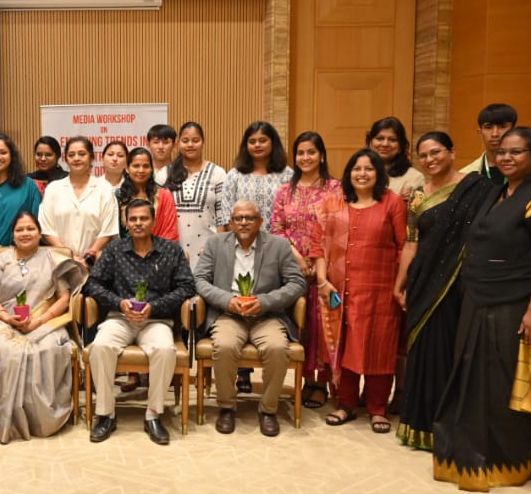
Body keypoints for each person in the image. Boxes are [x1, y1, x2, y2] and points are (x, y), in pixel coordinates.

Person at [433, 127, 531, 491]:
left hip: (518, 305)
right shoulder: (498, 192)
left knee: (504, 384)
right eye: (502, 152)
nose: (506, 158)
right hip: (480, 300)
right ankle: (469, 455)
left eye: (516, 152)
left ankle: (505, 462)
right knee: (473, 380)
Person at [392, 132, 494, 450]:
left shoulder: (477, 188)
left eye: (435, 152)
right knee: (423, 352)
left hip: (462, 285)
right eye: (423, 155)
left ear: (452, 152)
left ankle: (452, 427)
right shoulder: (417, 196)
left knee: (453, 352)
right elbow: (411, 244)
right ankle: (420, 425)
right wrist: (400, 283)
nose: (429, 160)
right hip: (424, 282)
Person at [311, 149, 407, 434]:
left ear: (379, 173)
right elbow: (318, 246)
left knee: (380, 347)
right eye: (356, 168)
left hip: (381, 292)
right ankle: (346, 404)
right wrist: (322, 282)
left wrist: (400, 286)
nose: (362, 174)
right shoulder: (333, 203)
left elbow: (403, 247)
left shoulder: (392, 203)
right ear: (348, 173)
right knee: (343, 345)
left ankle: (378, 408)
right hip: (338, 290)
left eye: (369, 169)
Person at [85, 198, 195, 445]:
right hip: (120, 318)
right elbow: (93, 284)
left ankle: (153, 415)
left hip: (156, 320)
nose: (138, 223)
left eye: (143, 218)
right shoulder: (114, 250)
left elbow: (187, 287)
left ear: (153, 221)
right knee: (100, 347)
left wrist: (154, 306)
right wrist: (119, 303)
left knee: (165, 350)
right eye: (133, 219)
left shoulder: (171, 250)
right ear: (125, 223)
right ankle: (106, 414)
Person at [195, 200, 306, 436]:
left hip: (266, 315)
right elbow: (200, 280)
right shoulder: (215, 244)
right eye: (238, 218)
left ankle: (268, 410)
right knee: (224, 346)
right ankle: (227, 407)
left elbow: (297, 282)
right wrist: (227, 300)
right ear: (231, 222)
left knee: (277, 348)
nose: (244, 222)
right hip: (228, 314)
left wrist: (265, 302)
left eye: (250, 218)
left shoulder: (278, 245)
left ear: (260, 221)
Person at [0, 211, 86, 443]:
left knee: (48, 349)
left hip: (45, 322)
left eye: (30, 228)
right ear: (13, 234)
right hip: (4, 322)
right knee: (0, 348)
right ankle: (9, 416)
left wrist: (39, 320)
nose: (25, 233)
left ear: (39, 233)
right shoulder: (2, 259)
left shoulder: (52, 259)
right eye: (20, 229)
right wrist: (6, 318)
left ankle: (42, 419)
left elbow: (64, 298)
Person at [270, 131, 341, 407]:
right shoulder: (285, 190)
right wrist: (299, 259)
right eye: (300, 153)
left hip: (326, 266)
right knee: (299, 324)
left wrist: (316, 260)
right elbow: (277, 228)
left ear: (321, 155)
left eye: (311, 152)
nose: (305, 157)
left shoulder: (335, 188)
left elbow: (337, 228)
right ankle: (303, 380)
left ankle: (321, 383)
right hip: (291, 266)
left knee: (324, 324)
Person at [39, 136, 118, 270]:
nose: (76, 158)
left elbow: (108, 229)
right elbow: (46, 228)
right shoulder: (53, 189)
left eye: (82, 154)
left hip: (95, 264)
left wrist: (89, 257)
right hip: (59, 263)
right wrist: (69, 256)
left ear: (91, 157)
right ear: (65, 159)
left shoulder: (104, 189)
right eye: (71, 155)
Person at [164, 121, 227, 261]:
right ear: (178, 144)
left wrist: (218, 247)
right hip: (171, 250)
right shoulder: (165, 173)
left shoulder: (217, 173)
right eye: (185, 140)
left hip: (208, 250)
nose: (190, 144)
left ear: (203, 142)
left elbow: (222, 216)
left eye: (195, 140)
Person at [0, 133, 43, 250]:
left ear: (12, 155)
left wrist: (16, 248)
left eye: (3, 152)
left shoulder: (28, 185)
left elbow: (36, 222)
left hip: (22, 252)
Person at [223, 121, 293, 229]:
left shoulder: (287, 175)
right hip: (241, 237)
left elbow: (292, 213)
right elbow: (226, 213)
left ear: (273, 143)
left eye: (263, 141)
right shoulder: (234, 175)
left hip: (278, 238)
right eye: (252, 142)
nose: (257, 145)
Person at [118, 147, 179, 241]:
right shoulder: (118, 196)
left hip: (161, 248)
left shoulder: (163, 195)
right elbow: (113, 232)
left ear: (151, 169)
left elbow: (170, 231)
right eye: (136, 166)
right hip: (123, 249)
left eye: (146, 166)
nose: (141, 170)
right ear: (127, 168)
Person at [459, 103, 517, 186]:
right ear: (480, 132)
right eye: (488, 127)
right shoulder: (465, 176)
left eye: (502, 126)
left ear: (514, 131)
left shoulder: (528, 172)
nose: (495, 134)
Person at [366, 117, 424, 196]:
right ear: (370, 143)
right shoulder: (357, 172)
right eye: (380, 138)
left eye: (392, 140)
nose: (385, 144)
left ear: (400, 146)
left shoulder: (414, 177)